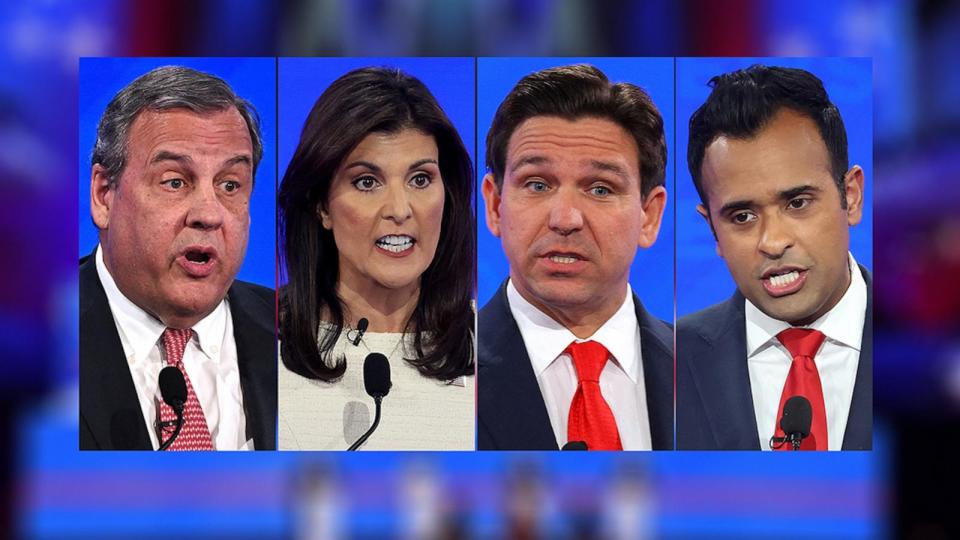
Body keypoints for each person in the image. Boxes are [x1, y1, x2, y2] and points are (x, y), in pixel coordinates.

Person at [277, 66, 475, 450]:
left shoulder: (494, 347)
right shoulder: (257, 344)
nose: (400, 209)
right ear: (322, 205)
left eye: (420, 180)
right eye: (367, 182)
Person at [80, 66, 276, 450]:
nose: (209, 213)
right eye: (175, 181)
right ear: (104, 195)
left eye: (230, 185)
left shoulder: (300, 335)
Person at [478, 64, 673, 450]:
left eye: (600, 189)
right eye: (537, 184)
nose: (565, 219)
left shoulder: (707, 369)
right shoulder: (439, 375)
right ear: (496, 205)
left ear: (649, 215)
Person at [677, 65, 871, 450]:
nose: (773, 241)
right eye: (742, 217)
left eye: (797, 203)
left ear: (850, 196)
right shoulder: (665, 366)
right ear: (712, 227)